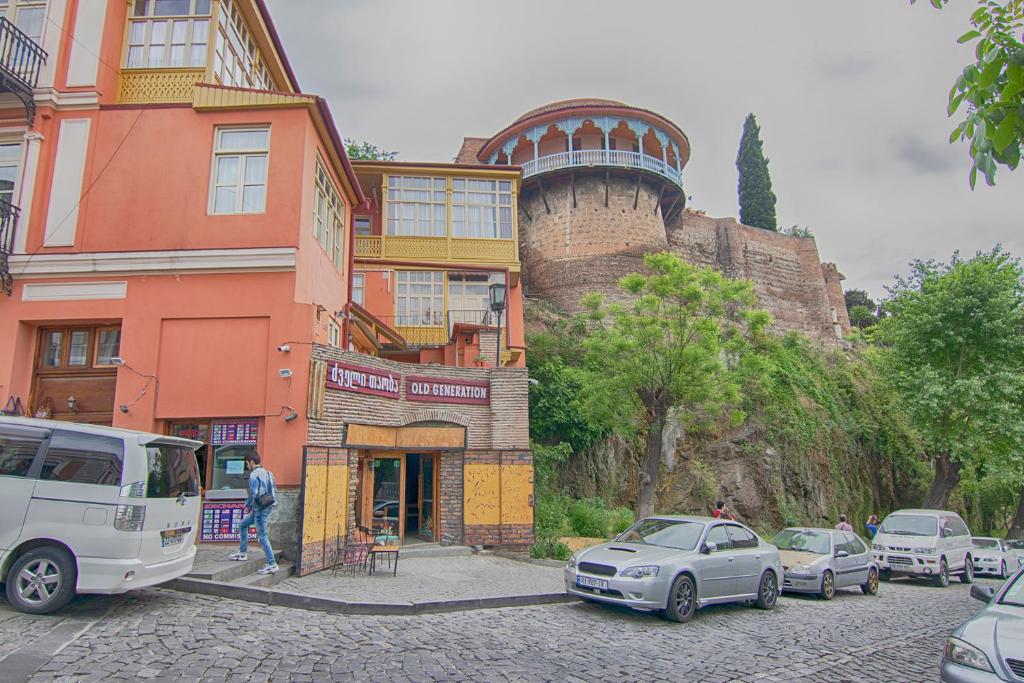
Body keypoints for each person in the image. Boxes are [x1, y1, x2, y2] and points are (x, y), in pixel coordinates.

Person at [228, 452, 278, 574]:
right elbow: (273, 490)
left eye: (247, 464)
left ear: (251, 462)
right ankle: (243, 552)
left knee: (262, 536)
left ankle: (272, 564)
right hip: (266, 505)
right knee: (243, 524)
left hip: (259, 509)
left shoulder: (253, 475)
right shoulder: (268, 473)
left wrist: (247, 505)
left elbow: (253, 493)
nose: (247, 466)